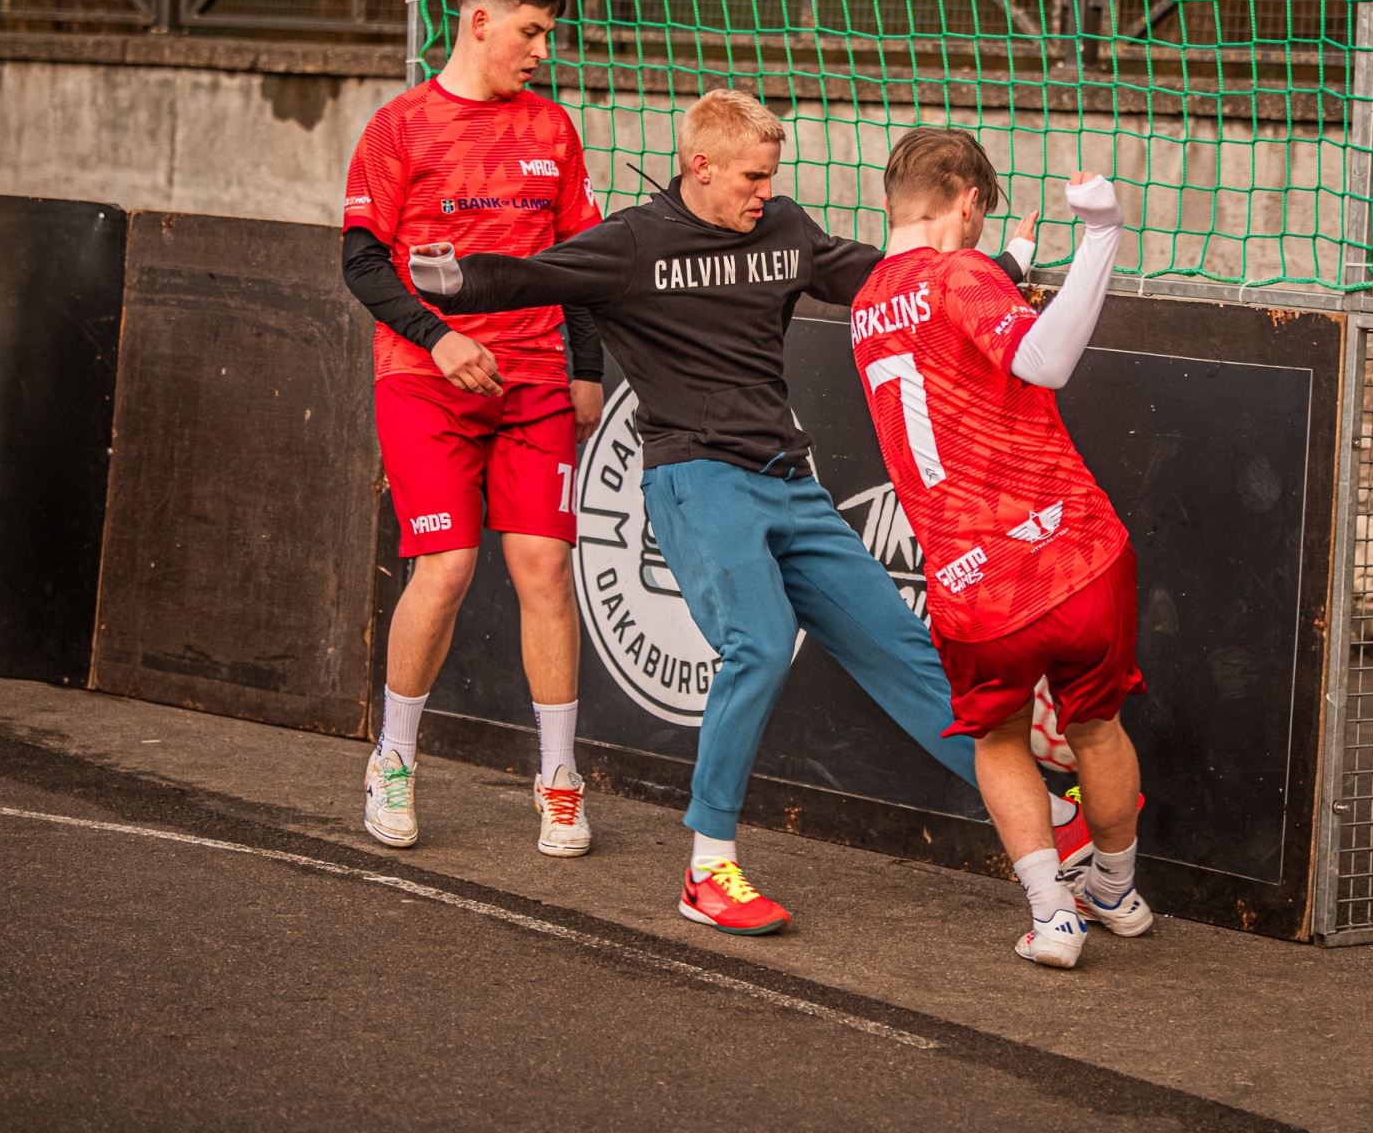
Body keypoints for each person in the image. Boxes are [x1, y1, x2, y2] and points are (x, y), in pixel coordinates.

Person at [405, 89, 1091, 935]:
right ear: (701, 166)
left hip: (789, 481)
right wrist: (452, 280)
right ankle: (708, 869)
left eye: (771, 175)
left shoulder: (784, 228)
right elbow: (536, 275)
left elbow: (883, 281)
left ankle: (1056, 822)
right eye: (752, 178)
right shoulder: (632, 243)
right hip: (696, 479)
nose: (766, 192)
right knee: (759, 644)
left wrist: (1000, 273)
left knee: (907, 650)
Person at [847, 128, 1147, 968]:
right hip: (1074, 554)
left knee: (1000, 739)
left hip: (972, 582)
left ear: (891, 200)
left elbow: (943, 329)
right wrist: (1102, 234)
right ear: (969, 200)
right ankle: (1116, 890)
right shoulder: (961, 272)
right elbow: (1042, 359)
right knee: (1097, 728)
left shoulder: (868, 302)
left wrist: (1010, 263)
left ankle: (1054, 917)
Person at [340, 0, 604, 858]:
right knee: (447, 569)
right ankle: (393, 759)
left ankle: (559, 779)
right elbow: (360, 261)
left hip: (535, 383)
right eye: (531, 32)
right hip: (427, 379)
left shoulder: (553, 128)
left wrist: (586, 369)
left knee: (545, 571)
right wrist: (439, 338)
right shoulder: (398, 125)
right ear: (479, 21)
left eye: (548, 36)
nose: (542, 51)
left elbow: (579, 263)